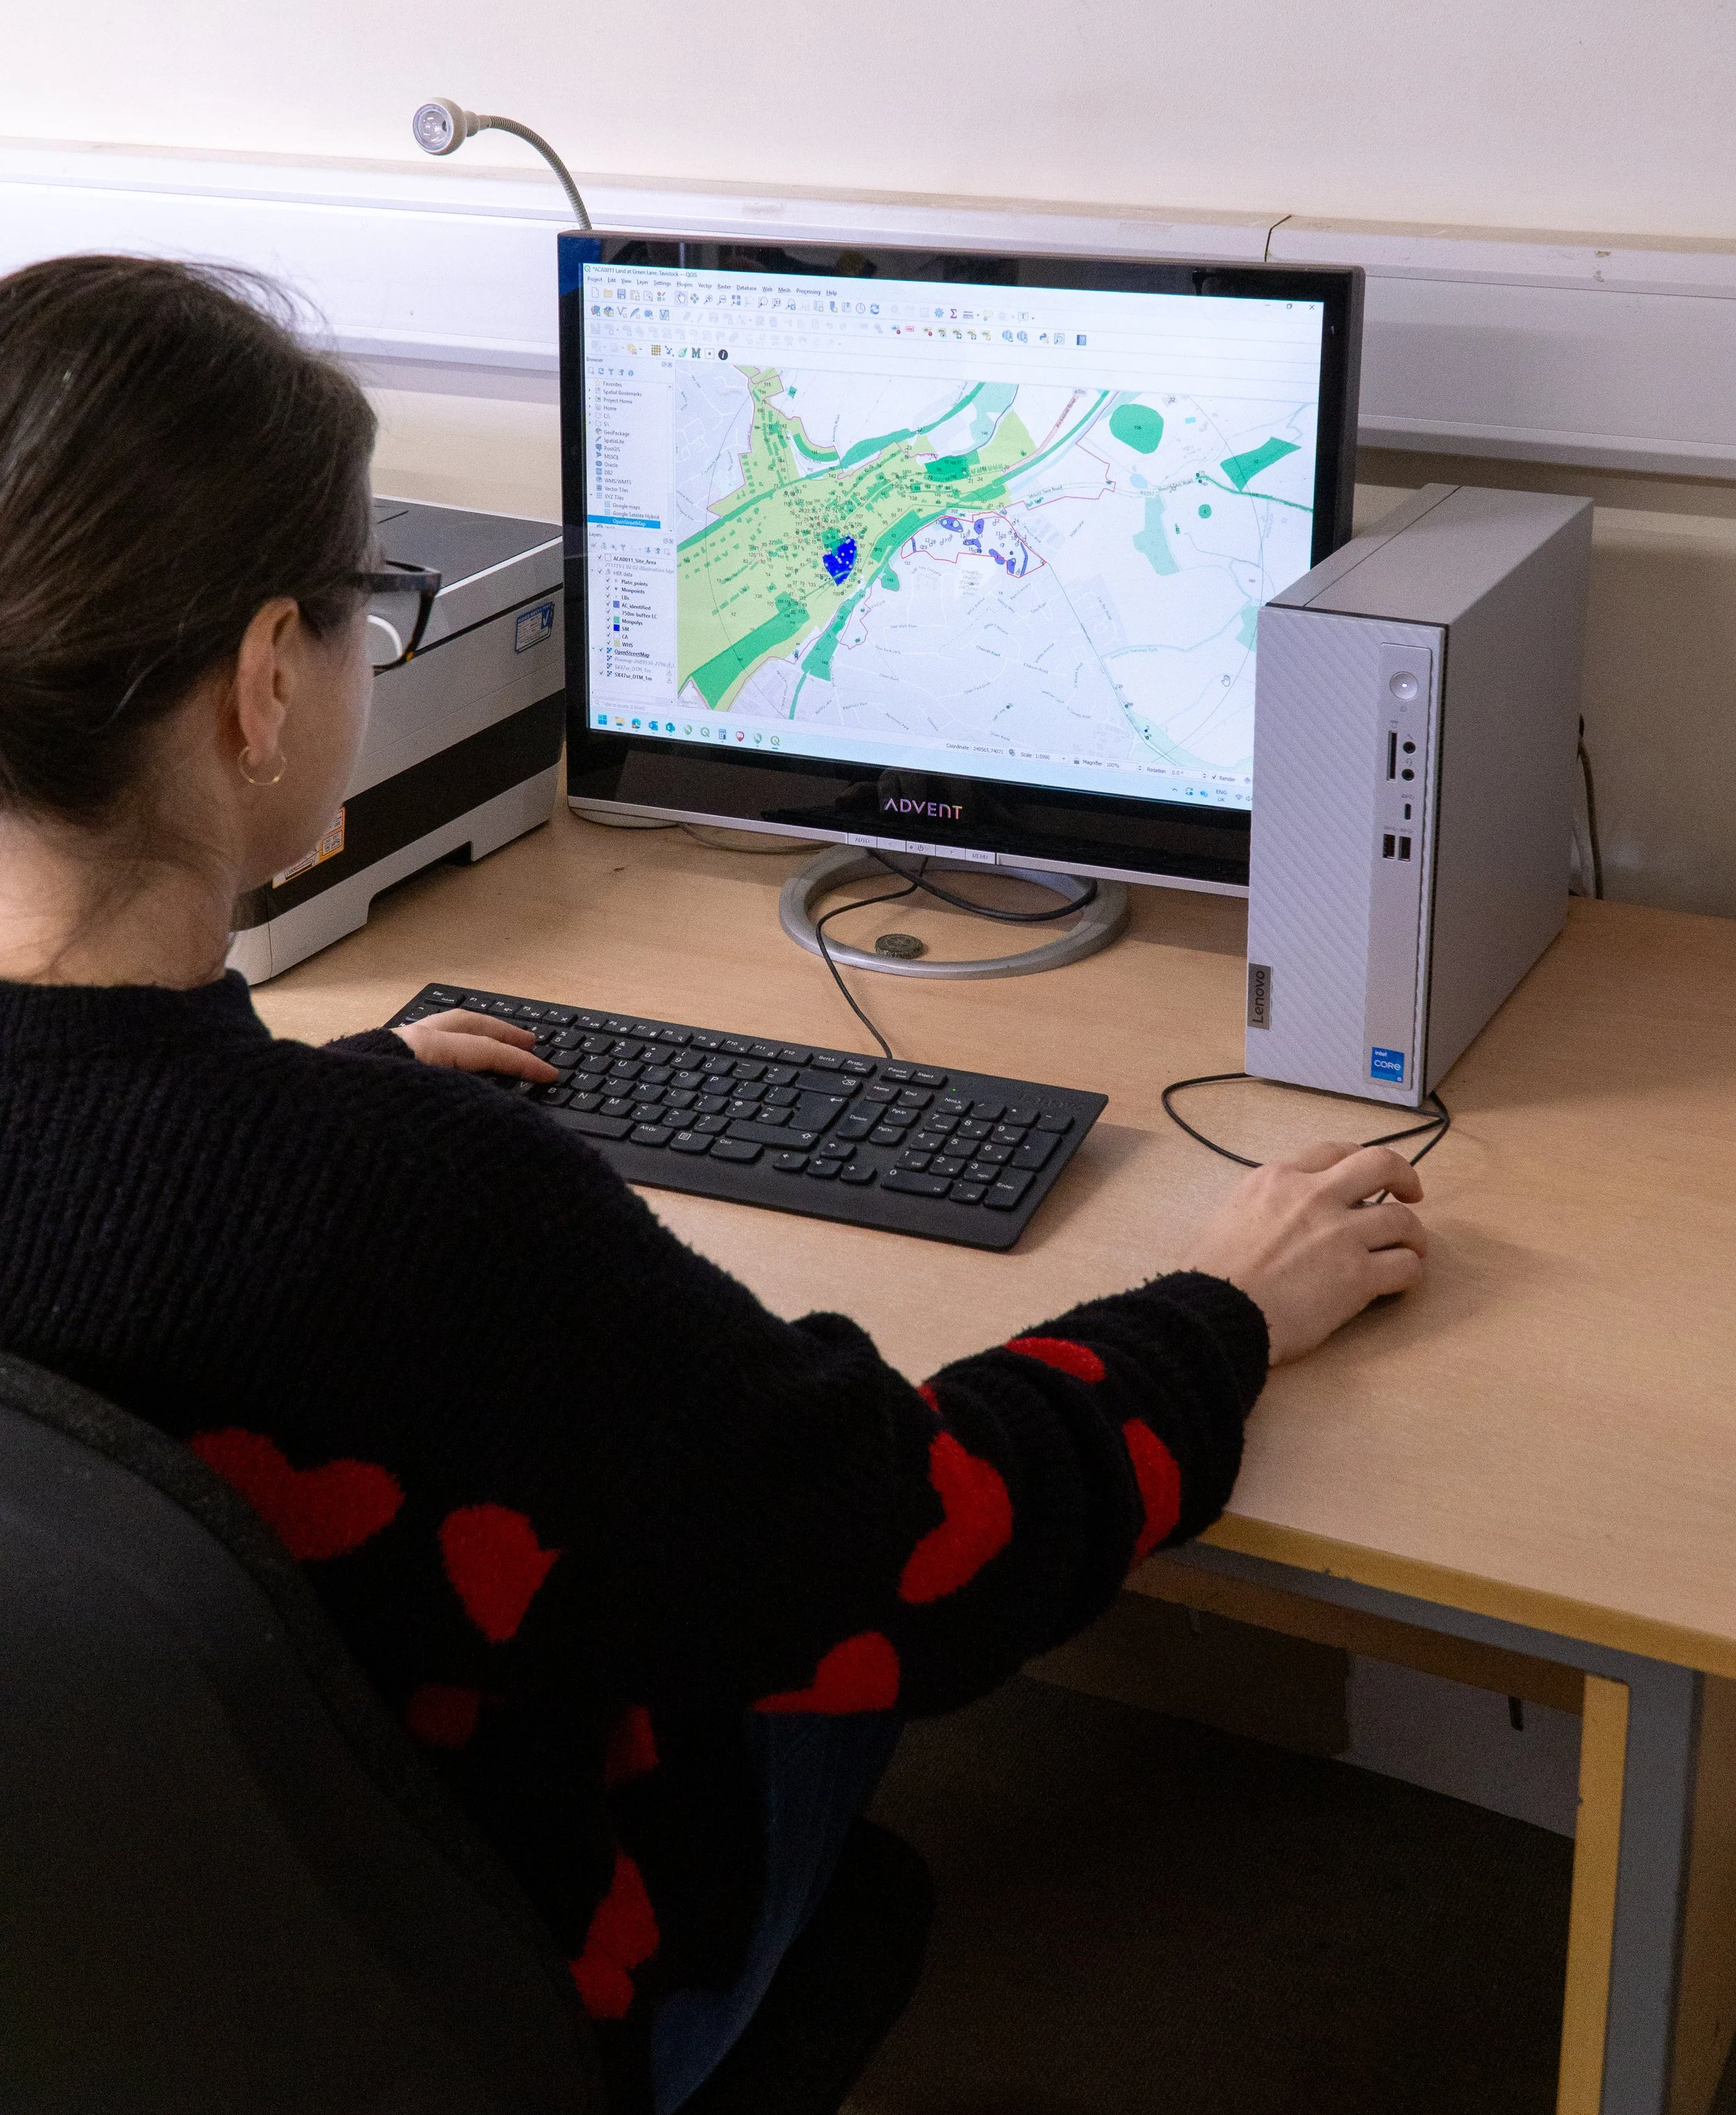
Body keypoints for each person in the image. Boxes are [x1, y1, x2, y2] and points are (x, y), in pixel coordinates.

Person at [0, 255, 1427, 2113]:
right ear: (266, 683)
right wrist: (1223, 1305)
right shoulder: (424, 1213)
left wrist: (326, 1096)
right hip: (481, 1998)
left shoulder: (335, 1176)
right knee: (779, 1603)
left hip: (88, 1980)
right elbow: (920, 1556)